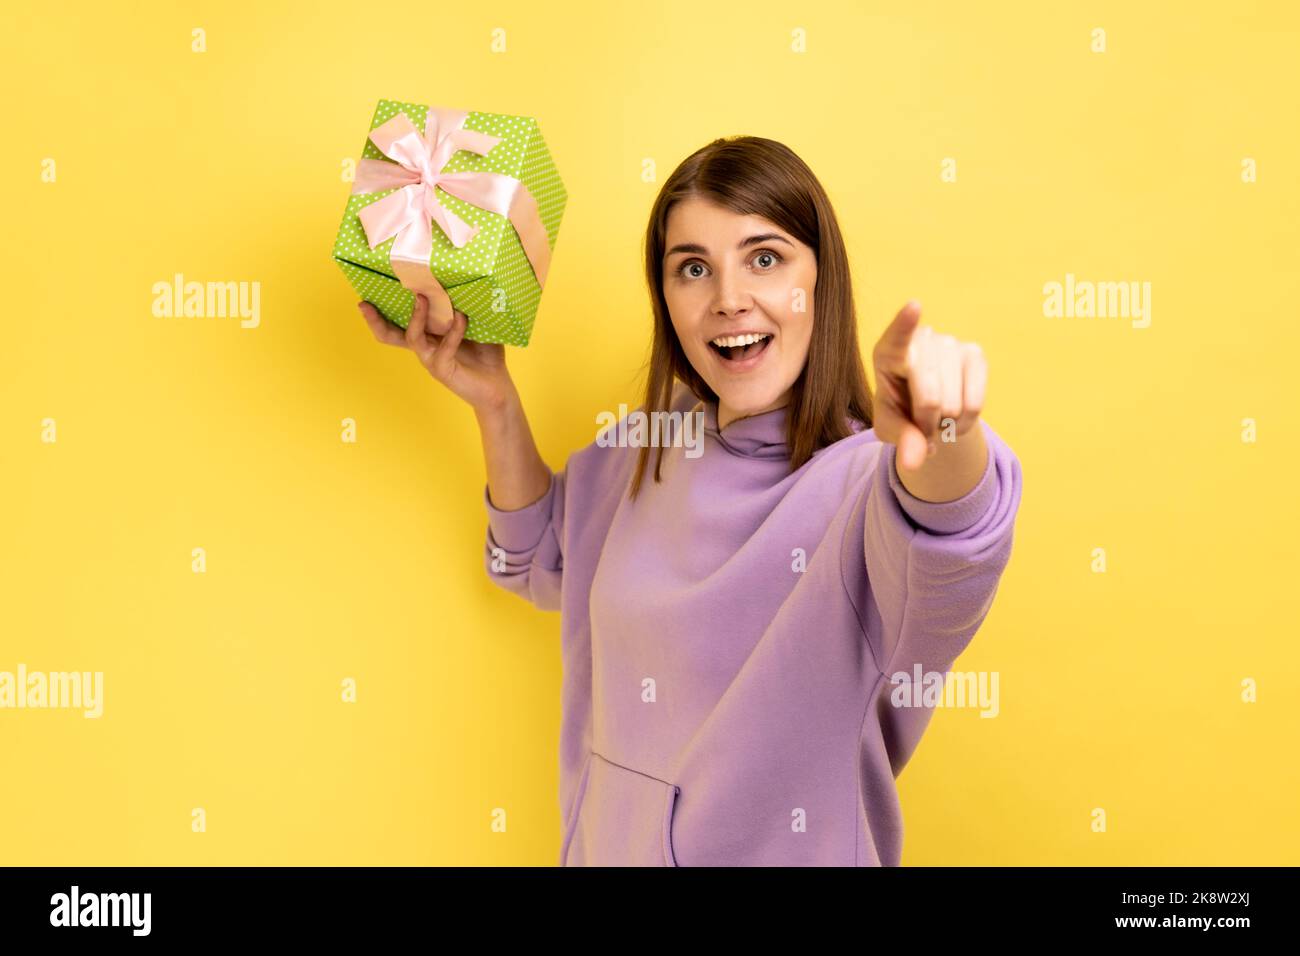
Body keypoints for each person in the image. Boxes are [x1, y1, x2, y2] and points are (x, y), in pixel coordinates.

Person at [357, 135, 1023, 866]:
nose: (728, 299)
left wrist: (948, 431)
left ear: (821, 281)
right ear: (665, 298)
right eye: (693, 269)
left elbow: (955, 543)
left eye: (764, 258)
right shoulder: (645, 448)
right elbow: (539, 559)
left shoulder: (866, 487)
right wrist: (493, 399)